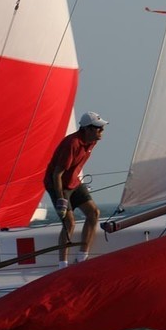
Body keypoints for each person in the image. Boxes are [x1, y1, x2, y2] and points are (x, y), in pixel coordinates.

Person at [43, 111, 106, 268]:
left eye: (102, 128)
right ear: (87, 129)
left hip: (74, 183)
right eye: (98, 128)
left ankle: (82, 257)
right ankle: (62, 265)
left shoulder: (92, 141)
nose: (102, 131)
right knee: (69, 222)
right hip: (58, 184)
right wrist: (61, 200)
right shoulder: (73, 144)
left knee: (94, 213)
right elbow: (57, 175)